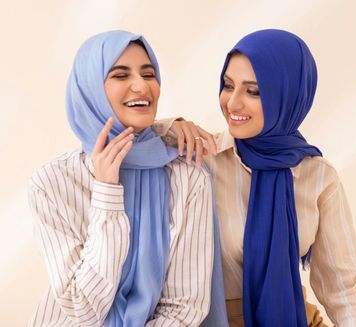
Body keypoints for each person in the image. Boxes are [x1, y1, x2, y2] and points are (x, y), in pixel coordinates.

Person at [155, 29, 356, 326]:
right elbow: (123, 143)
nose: (232, 103)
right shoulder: (202, 156)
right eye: (227, 85)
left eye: (254, 91)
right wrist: (169, 126)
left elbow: (348, 288)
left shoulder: (317, 177)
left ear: (288, 96)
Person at [28, 30, 227, 326]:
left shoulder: (188, 178)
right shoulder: (52, 182)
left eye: (149, 75)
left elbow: (184, 307)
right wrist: (107, 194)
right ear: (91, 89)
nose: (141, 86)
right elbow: (81, 307)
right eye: (120, 76)